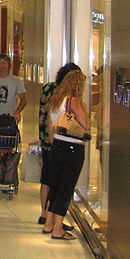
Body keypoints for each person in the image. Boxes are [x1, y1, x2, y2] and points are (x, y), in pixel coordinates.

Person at [43, 70, 89, 240]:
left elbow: (50, 124)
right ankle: (57, 228)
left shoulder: (56, 101)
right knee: (66, 187)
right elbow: (85, 123)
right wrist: (82, 108)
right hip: (72, 148)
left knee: (55, 186)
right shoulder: (73, 101)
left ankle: (49, 223)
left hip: (57, 145)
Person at [39, 63, 81, 227]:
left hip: (46, 135)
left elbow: (44, 113)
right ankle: (54, 219)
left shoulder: (47, 88)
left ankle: (44, 214)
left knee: (47, 177)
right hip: (61, 141)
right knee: (59, 182)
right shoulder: (65, 95)